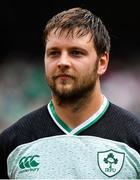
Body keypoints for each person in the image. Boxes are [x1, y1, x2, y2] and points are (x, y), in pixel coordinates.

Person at [0, 7, 140, 179]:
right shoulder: (12, 142)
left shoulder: (135, 138)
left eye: (76, 53)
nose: (63, 62)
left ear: (102, 63)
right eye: (54, 53)